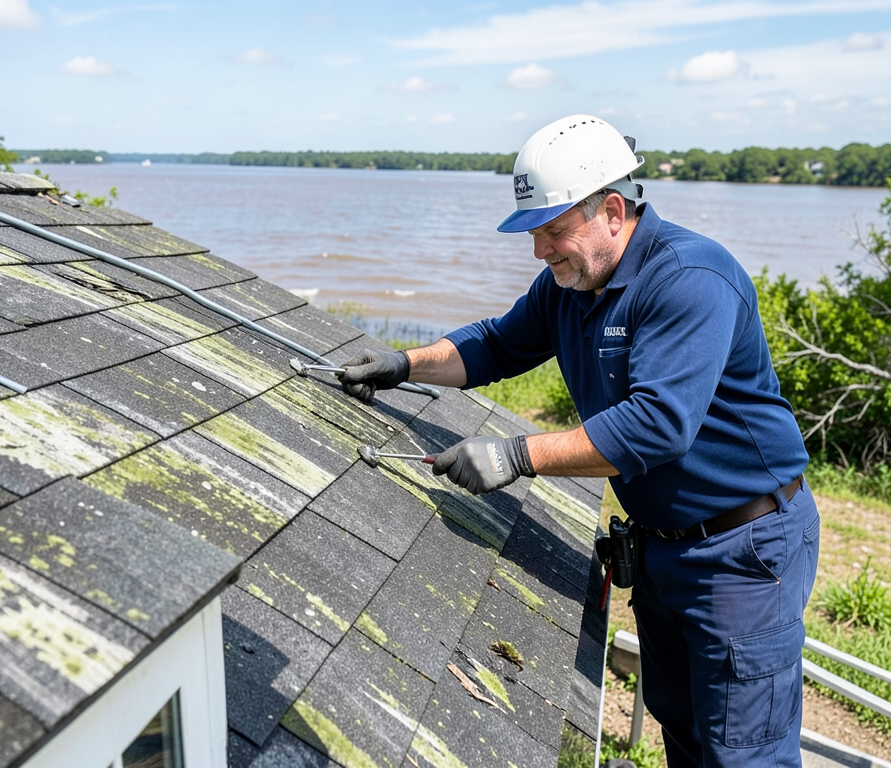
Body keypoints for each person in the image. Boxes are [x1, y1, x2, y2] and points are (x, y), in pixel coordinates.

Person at [338, 114, 820, 768]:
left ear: (613, 211)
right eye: (536, 235)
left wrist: (516, 455)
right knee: (682, 729)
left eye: (554, 232)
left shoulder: (689, 279)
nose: (541, 251)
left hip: (743, 551)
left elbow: (658, 425)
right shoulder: (572, 284)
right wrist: (403, 365)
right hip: (662, 551)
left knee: (744, 754)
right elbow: (498, 344)